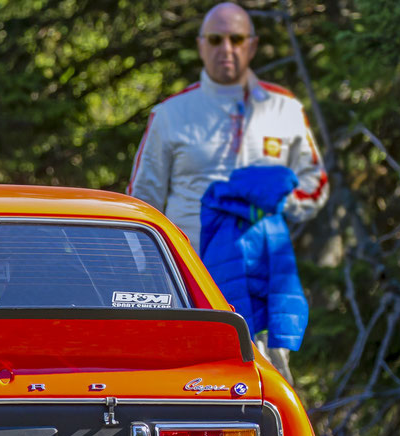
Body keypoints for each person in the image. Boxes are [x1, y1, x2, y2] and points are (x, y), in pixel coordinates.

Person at [126, 2, 328, 382]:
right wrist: (150, 275)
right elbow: (143, 203)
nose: (227, 49)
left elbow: (314, 181)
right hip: (191, 281)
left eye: (236, 39)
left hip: (264, 278)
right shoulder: (171, 114)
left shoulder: (283, 110)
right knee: (190, 382)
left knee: (270, 384)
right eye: (216, 40)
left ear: (251, 45)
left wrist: (276, 204)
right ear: (201, 45)